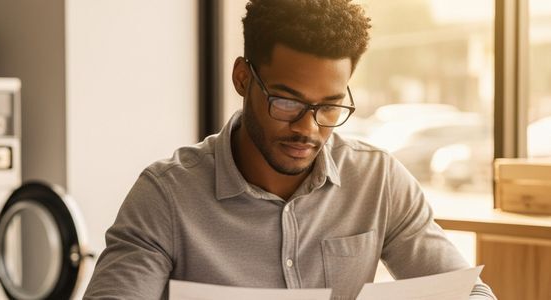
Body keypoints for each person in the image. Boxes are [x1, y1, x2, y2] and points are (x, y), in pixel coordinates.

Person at [83, 0, 497, 299]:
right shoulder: (166, 196)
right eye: (287, 101)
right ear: (243, 78)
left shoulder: (378, 181)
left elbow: (468, 289)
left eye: (330, 106)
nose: (307, 128)